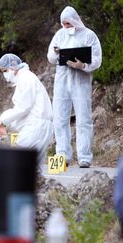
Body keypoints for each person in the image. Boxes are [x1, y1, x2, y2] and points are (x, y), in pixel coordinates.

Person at [47, 6, 102, 168]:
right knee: (60, 119)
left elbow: (97, 59)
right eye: (64, 24)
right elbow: (50, 56)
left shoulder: (89, 35)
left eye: (69, 23)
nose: (67, 26)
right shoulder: (59, 35)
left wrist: (83, 65)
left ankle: (84, 157)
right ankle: (62, 155)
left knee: (83, 119)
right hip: (62, 83)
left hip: (81, 82)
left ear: (75, 20)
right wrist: (57, 53)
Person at [0, 54, 53, 164]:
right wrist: (8, 125)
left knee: (19, 165)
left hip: (35, 128)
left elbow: (22, 108)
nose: (5, 75)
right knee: (33, 171)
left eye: (5, 70)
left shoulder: (25, 79)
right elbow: (26, 113)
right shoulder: (26, 78)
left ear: (13, 66)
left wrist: (2, 119)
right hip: (40, 127)